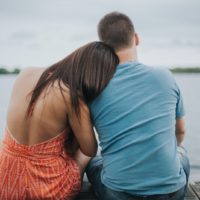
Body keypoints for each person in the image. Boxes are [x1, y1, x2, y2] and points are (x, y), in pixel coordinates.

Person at [86, 12, 190, 200]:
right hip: (171, 193)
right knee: (181, 153)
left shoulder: (95, 87)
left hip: (117, 194)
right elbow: (180, 132)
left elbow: (87, 146)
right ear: (136, 38)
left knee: (93, 160)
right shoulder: (165, 76)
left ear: (102, 47)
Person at [0, 41, 119, 199]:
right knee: (86, 152)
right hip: (47, 189)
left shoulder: (25, 73)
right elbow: (89, 150)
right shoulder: (73, 98)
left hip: (6, 180)